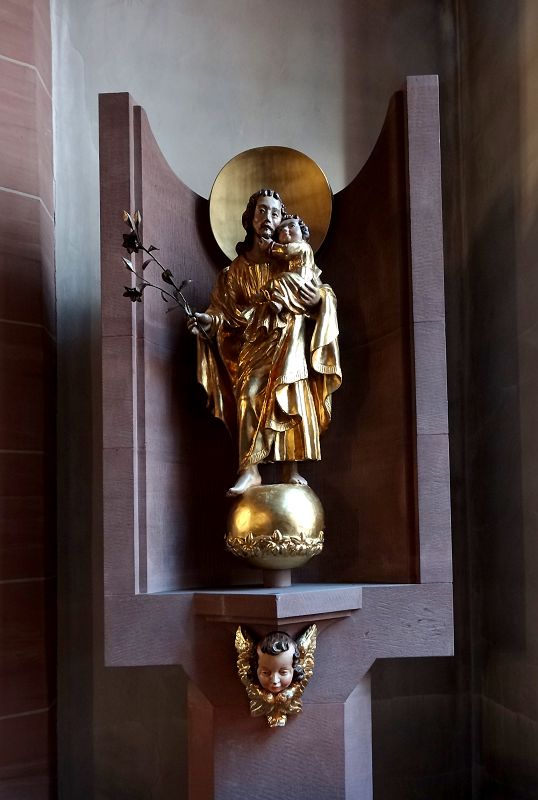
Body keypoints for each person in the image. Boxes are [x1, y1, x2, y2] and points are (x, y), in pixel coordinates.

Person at [189, 188, 341, 496]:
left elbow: (322, 290)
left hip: (290, 341)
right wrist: (208, 321)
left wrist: (320, 300)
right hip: (253, 345)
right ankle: (249, 469)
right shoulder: (235, 271)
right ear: (249, 219)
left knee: (291, 397)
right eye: (261, 211)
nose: (268, 218)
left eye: (275, 213)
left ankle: (290, 468)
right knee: (249, 395)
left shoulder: (292, 257)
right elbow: (224, 312)